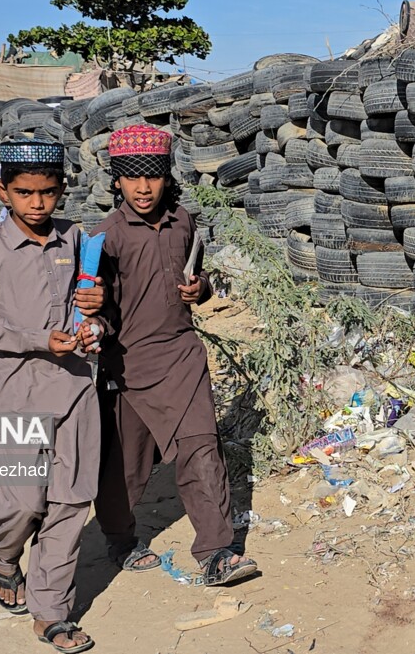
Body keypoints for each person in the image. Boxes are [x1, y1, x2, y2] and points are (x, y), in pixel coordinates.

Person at [0, 139, 104, 654]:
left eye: (47, 193)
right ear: (3, 191)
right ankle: (2, 557)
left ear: (61, 190)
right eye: (24, 194)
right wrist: (38, 339)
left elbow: (94, 311)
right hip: (15, 394)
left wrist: (95, 322)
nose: (37, 204)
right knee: (19, 504)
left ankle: (51, 612)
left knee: (69, 504)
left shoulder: (78, 239)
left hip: (76, 390)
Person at [93, 125, 257, 586]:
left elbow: (196, 281)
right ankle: (120, 539)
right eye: (131, 178)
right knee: (127, 465)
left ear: (167, 177)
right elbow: (97, 311)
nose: (143, 188)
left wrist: (199, 289)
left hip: (182, 357)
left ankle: (216, 552)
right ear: (117, 180)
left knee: (202, 449)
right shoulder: (104, 238)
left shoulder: (184, 221)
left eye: (152, 177)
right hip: (128, 366)